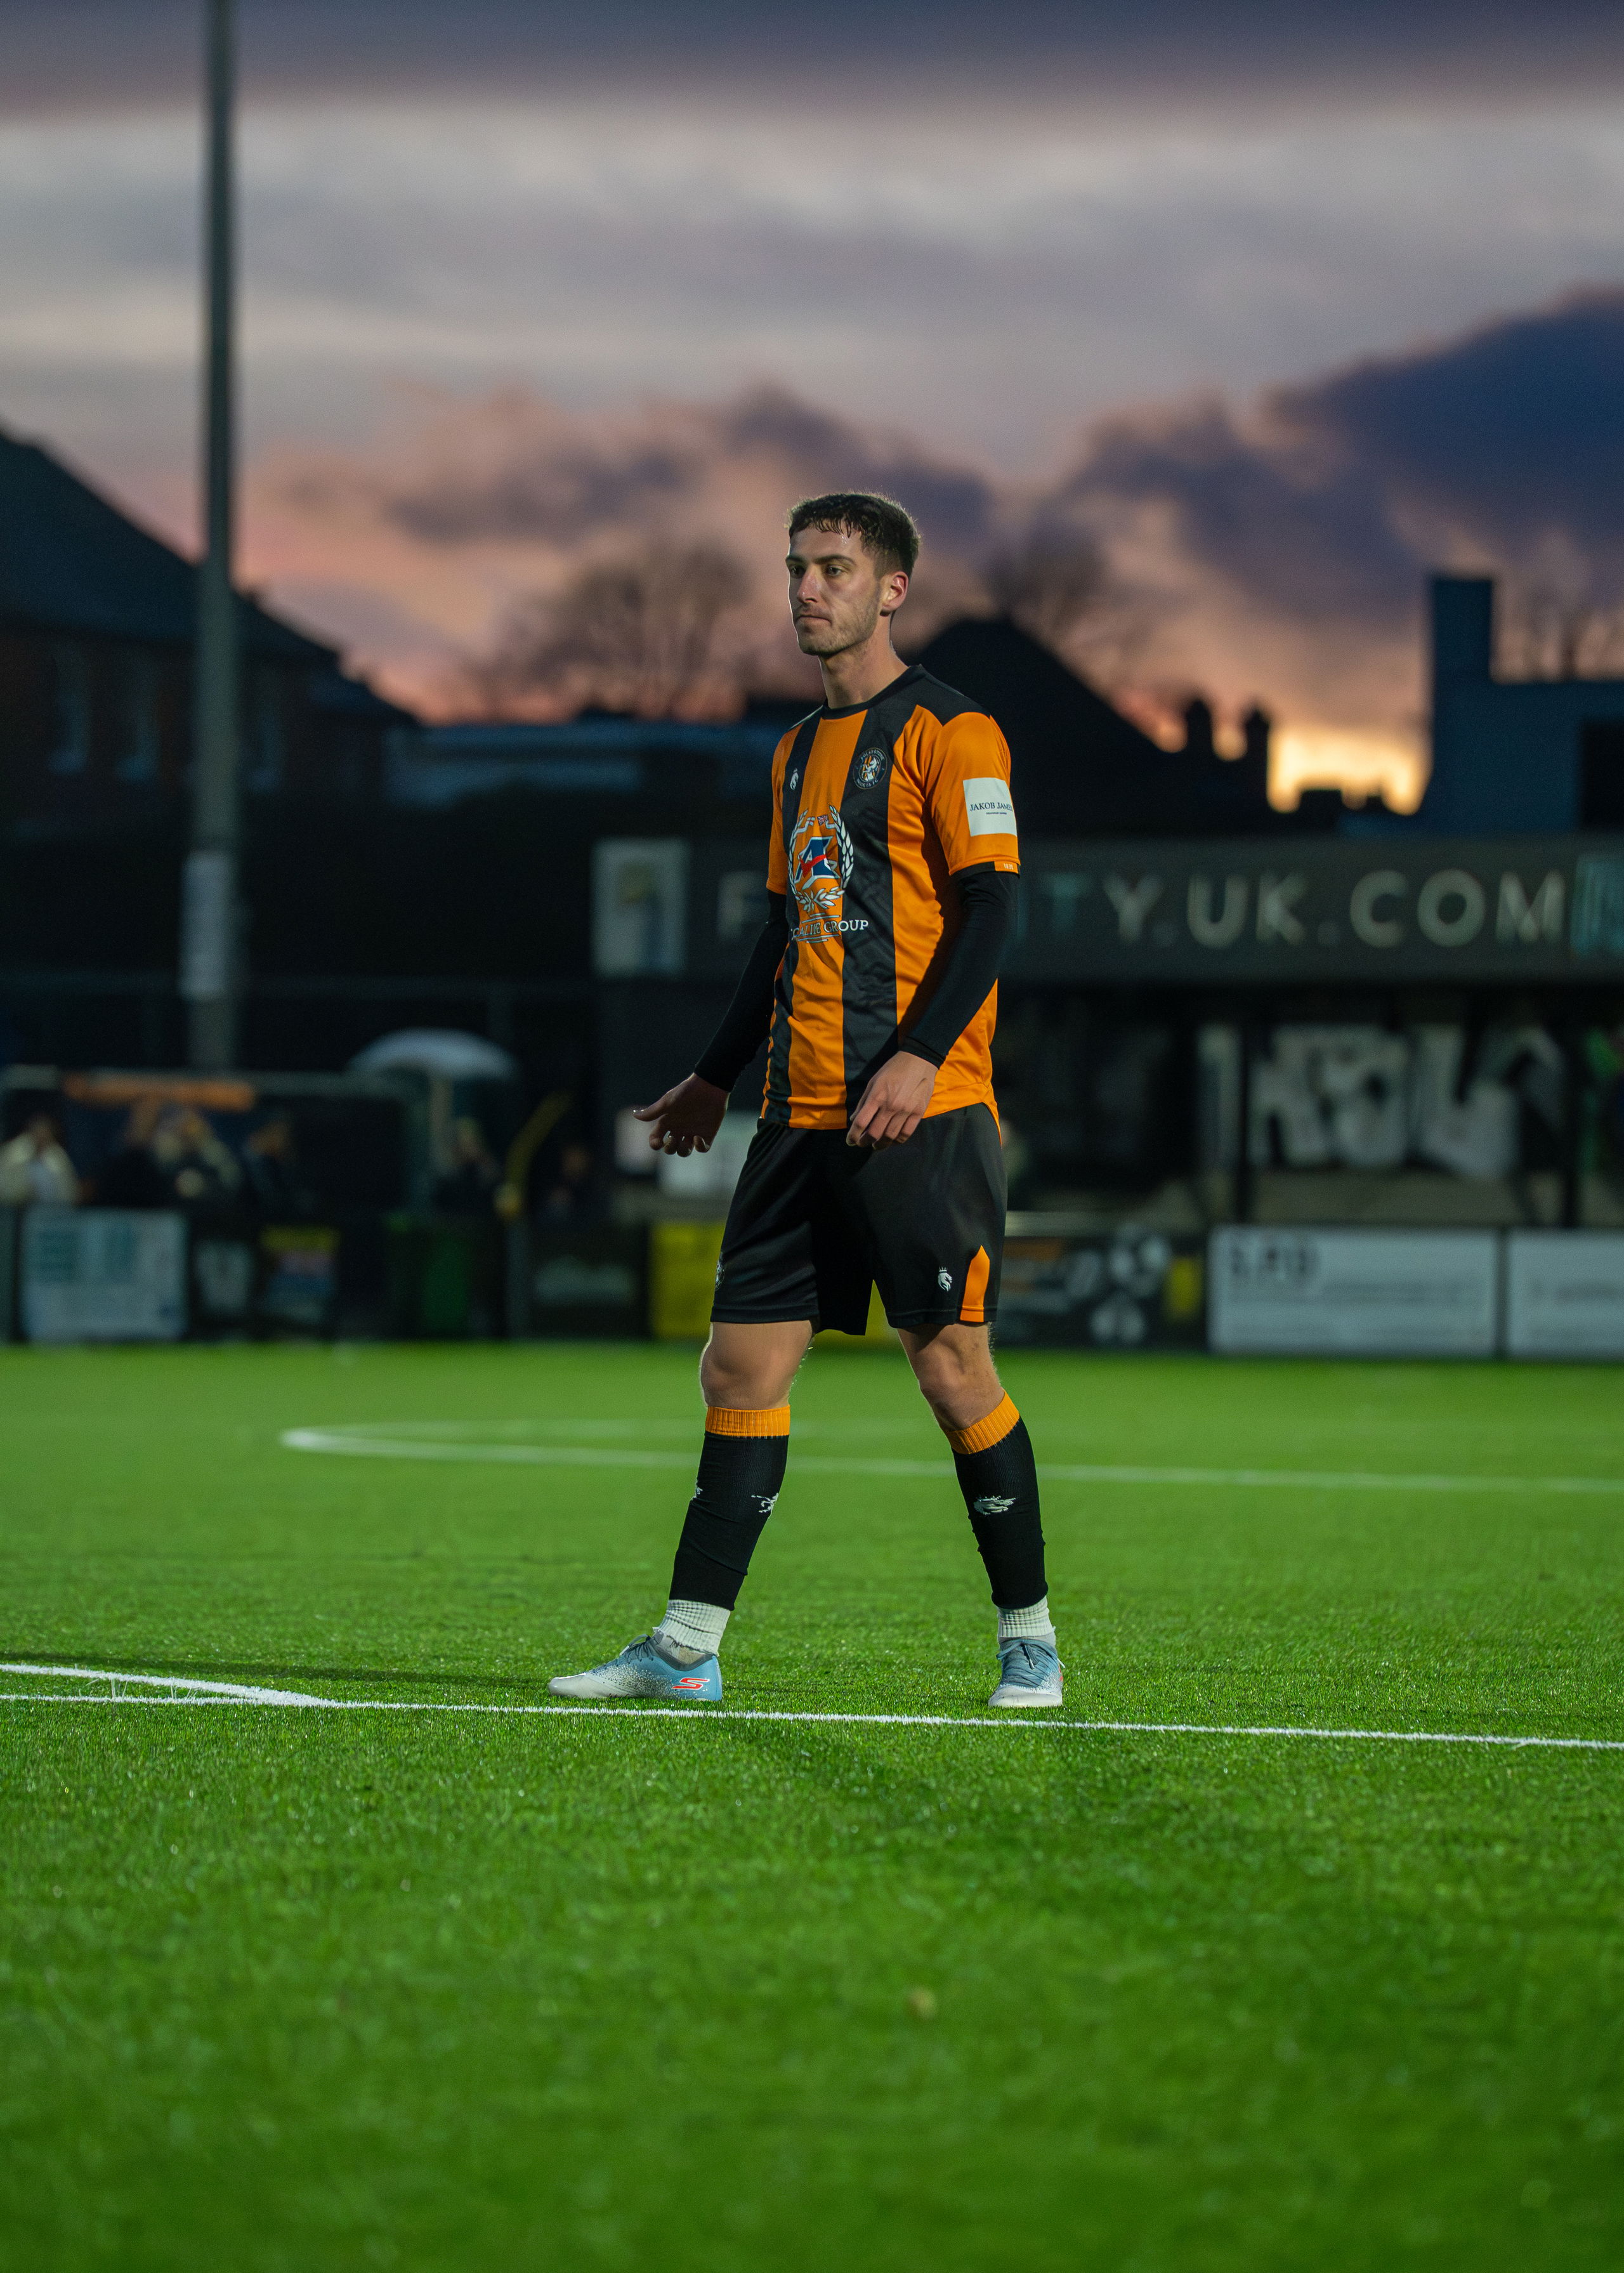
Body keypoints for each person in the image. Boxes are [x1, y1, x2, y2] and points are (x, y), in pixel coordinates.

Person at [551, 491, 1061, 1710]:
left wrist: (919, 1054)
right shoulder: (793, 754)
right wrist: (715, 1075)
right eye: (797, 568)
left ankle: (1030, 1639)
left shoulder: (955, 731)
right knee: (738, 1368)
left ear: (893, 589)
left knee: (952, 1372)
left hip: (920, 1116)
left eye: (833, 568)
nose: (808, 589)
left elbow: (992, 909)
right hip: (798, 1113)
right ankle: (688, 1648)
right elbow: (784, 934)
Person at [0, 1112, 79, 1205]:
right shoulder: (15, 1152)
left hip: (52, 1208)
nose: (41, 1138)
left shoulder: (58, 1156)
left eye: (45, 1134)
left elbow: (69, 1189)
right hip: (16, 1208)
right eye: (39, 1133)